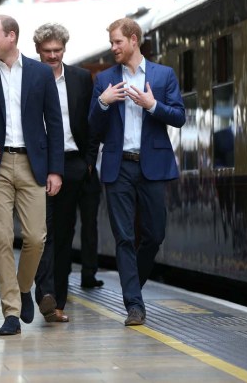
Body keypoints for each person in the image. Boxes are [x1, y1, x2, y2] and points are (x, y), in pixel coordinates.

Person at [0, 14, 64, 336]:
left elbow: (55, 125)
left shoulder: (40, 74)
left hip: (33, 164)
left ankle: (23, 288)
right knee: (2, 238)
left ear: (11, 36)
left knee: (36, 237)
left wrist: (55, 170)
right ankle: (10, 311)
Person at [88, 18, 185, 326]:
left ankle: (134, 288)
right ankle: (134, 305)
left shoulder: (163, 75)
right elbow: (92, 127)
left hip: (152, 165)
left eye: (117, 42)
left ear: (133, 40)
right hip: (118, 167)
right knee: (124, 237)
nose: (113, 48)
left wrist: (153, 105)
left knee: (155, 234)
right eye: (111, 43)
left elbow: (180, 117)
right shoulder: (104, 80)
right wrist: (102, 104)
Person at [31, 22, 100, 324]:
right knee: (40, 234)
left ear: (64, 49)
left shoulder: (81, 78)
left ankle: (57, 302)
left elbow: (92, 121)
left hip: (73, 163)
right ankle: (44, 292)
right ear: (38, 51)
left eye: (57, 50)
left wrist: (88, 161)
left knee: (64, 234)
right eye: (47, 51)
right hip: (39, 163)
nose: (53, 56)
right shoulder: (28, 79)